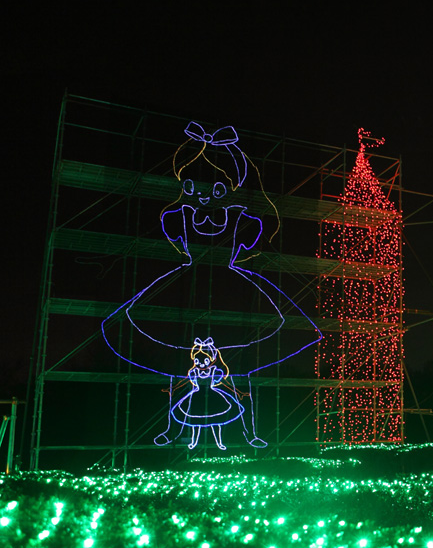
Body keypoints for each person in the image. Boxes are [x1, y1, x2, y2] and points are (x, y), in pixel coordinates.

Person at [102, 122, 322, 447]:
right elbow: (169, 227)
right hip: (187, 284)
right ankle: (172, 430)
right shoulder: (178, 215)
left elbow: (261, 226)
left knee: (241, 367)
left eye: (217, 188)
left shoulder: (240, 217)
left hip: (229, 288)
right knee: (178, 369)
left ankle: (249, 433)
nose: (203, 194)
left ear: (229, 188)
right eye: (191, 185)